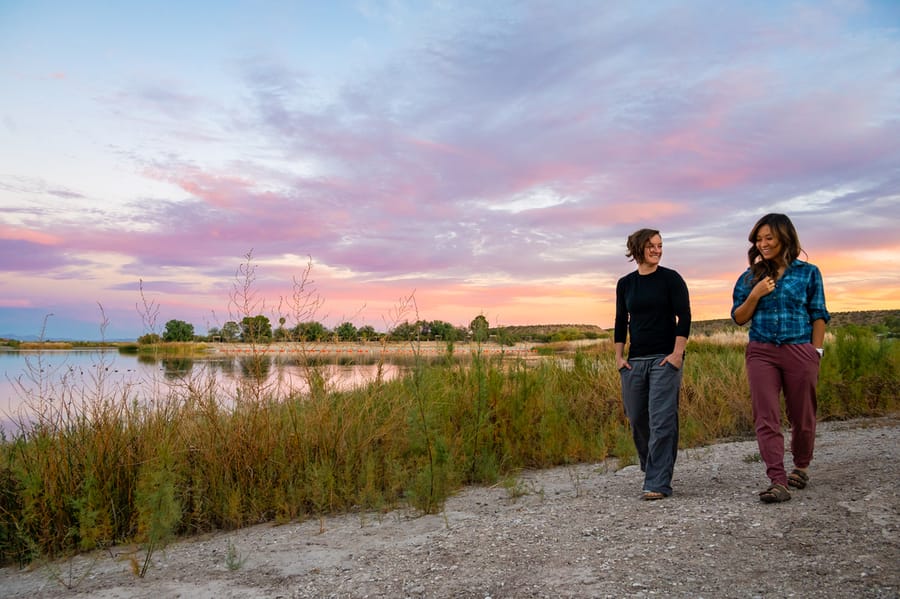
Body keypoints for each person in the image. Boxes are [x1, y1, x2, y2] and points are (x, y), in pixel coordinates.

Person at [731, 213, 829, 504]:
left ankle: (801, 465)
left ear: (784, 237)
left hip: (799, 349)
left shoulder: (809, 273)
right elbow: (738, 317)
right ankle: (777, 479)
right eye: (758, 240)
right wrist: (756, 294)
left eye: (768, 238)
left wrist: (816, 352)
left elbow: (819, 314)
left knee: (803, 414)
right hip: (762, 350)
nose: (763, 244)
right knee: (766, 416)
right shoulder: (750, 277)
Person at [615, 228, 691, 500]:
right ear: (637, 249)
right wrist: (619, 357)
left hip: (664, 359)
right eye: (651, 246)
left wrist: (676, 355)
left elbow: (685, 316)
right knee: (637, 418)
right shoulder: (625, 283)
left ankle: (658, 481)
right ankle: (653, 468)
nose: (657, 250)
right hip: (634, 362)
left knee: (661, 420)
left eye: (660, 245)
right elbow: (620, 321)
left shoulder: (671, 279)